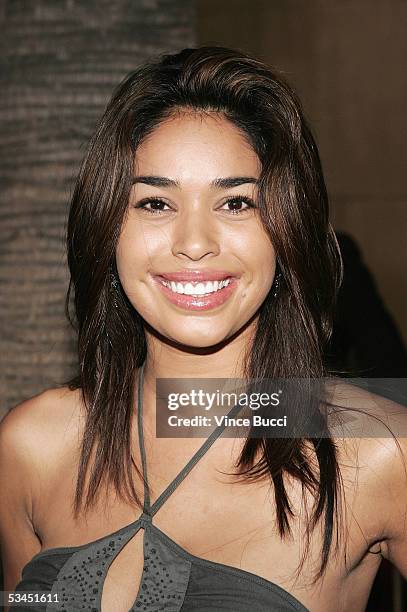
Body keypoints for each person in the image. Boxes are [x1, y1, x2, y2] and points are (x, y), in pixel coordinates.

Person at [0, 46, 406, 612]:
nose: (194, 241)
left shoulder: (378, 452)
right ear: (107, 229)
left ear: (286, 231)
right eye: (155, 202)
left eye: (237, 202)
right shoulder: (31, 445)